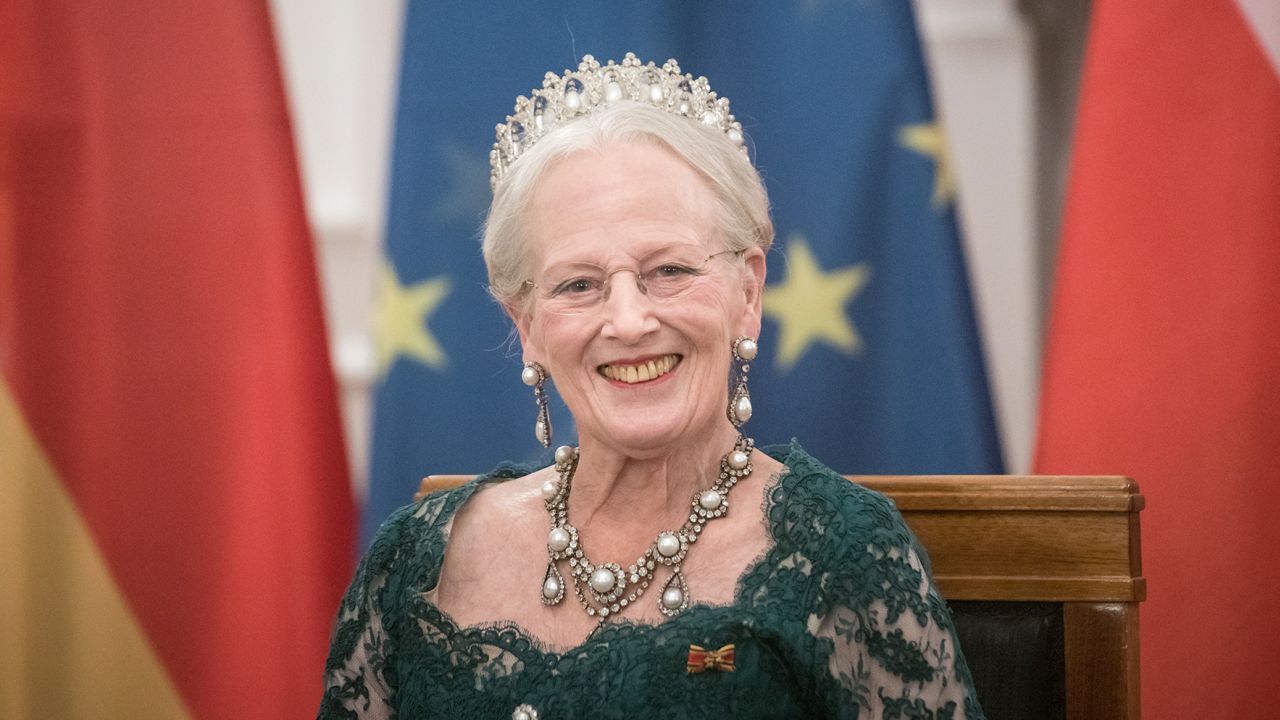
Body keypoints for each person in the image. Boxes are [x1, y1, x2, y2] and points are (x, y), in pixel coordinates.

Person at [319, 53, 984, 720]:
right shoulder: (416, 562)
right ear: (527, 326)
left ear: (747, 292)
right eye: (579, 284)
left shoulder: (845, 556)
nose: (630, 320)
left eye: (668, 269)